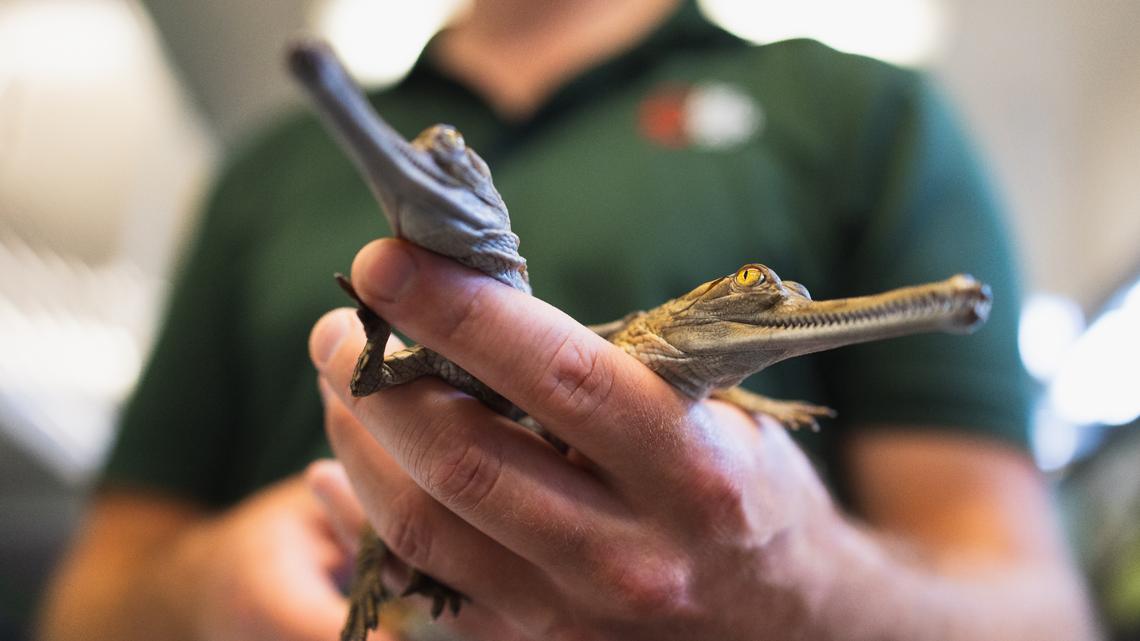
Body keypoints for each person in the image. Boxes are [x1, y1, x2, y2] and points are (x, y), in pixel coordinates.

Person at [37, 0, 1098, 639]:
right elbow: (83, 608)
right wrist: (212, 587)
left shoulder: (867, 115)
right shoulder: (263, 171)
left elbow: (1043, 618)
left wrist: (799, 583)